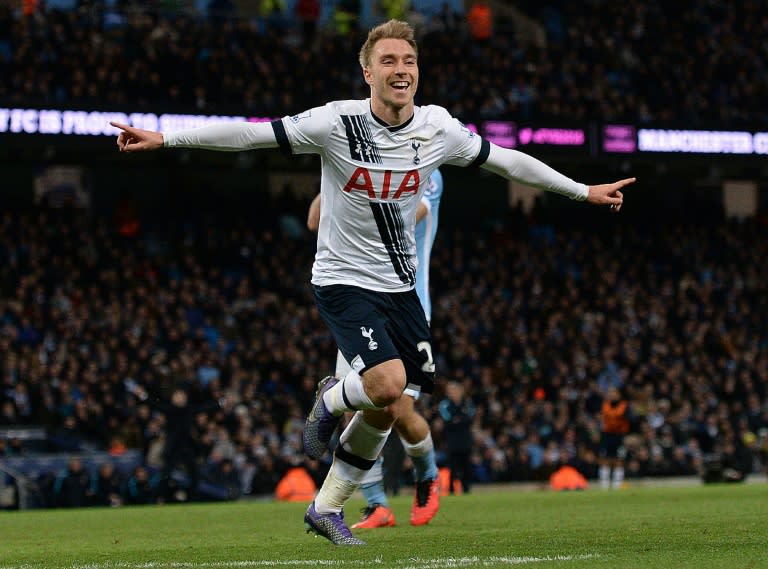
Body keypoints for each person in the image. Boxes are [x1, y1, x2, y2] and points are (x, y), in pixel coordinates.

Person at [109, 19, 633, 545]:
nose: (400, 70)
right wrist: (166, 136)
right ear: (367, 73)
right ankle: (334, 399)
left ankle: (326, 508)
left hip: (400, 288)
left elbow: (508, 162)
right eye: (388, 61)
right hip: (343, 281)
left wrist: (581, 191)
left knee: (387, 407)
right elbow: (251, 134)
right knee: (383, 386)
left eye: (408, 62)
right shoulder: (335, 123)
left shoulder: (437, 128)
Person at [305, 169, 444, 529]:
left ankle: (427, 474)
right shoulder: (358, 165)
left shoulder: (424, 164)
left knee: (396, 408)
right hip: (360, 301)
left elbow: (409, 217)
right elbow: (315, 221)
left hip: (406, 304)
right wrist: (338, 174)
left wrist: (353, 207)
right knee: (359, 408)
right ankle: (376, 504)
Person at [438, 380, 476, 494]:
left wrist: (457, 420)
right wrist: (460, 420)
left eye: (455, 390)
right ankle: (451, 490)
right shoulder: (445, 404)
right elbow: (447, 420)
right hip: (452, 441)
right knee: (453, 467)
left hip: (465, 440)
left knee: (466, 466)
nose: (453, 392)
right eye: (451, 390)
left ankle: (466, 490)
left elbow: (470, 418)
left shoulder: (467, 403)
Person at [598, 386, 632, 489]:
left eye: (614, 392)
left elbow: (631, 419)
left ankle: (617, 484)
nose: (611, 394)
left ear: (619, 394)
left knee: (619, 459)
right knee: (604, 458)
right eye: (610, 392)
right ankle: (604, 484)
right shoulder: (605, 405)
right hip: (607, 434)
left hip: (620, 435)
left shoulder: (625, 406)